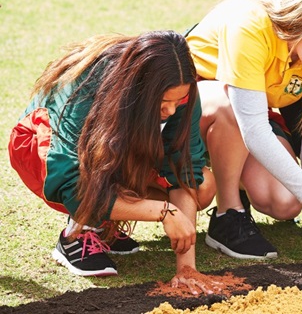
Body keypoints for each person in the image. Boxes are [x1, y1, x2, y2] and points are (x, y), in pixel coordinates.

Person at [8, 31, 217, 294]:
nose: (172, 111)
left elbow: (184, 169)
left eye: (179, 101)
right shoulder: (90, 82)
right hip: (42, 151)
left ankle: (107, 222)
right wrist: (164, 211)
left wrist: (186, 268)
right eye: (164, 102)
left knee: (203, 186)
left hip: (112, 154)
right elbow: (70, 181)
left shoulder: (180, 89)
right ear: (141, 87)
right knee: (107, 155)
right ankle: (78, 233)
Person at [185, 0, 302, 273]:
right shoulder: (250, 25)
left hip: (248, 114)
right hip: (192, 105)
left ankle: (233, 171)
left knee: (285, 202)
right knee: (231, 107)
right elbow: (253, 130)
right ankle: (228, 212)